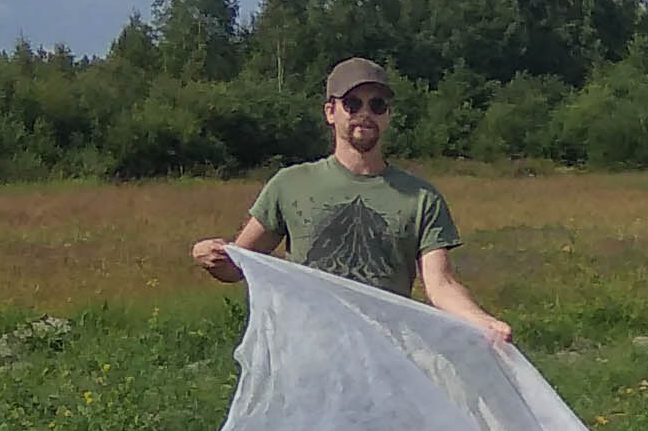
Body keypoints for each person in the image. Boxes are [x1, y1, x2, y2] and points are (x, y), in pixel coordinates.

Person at [191, 57, 512, 341]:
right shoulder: (289, 185)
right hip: (307, 358)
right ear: (331, 112)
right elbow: (239, 266)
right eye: (352, 103)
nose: (364, 114)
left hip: (388, 359)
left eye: (377, 105)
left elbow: (441, 285)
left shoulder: (422, 198)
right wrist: (209, 255)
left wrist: (482, 321)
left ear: (387, 116)